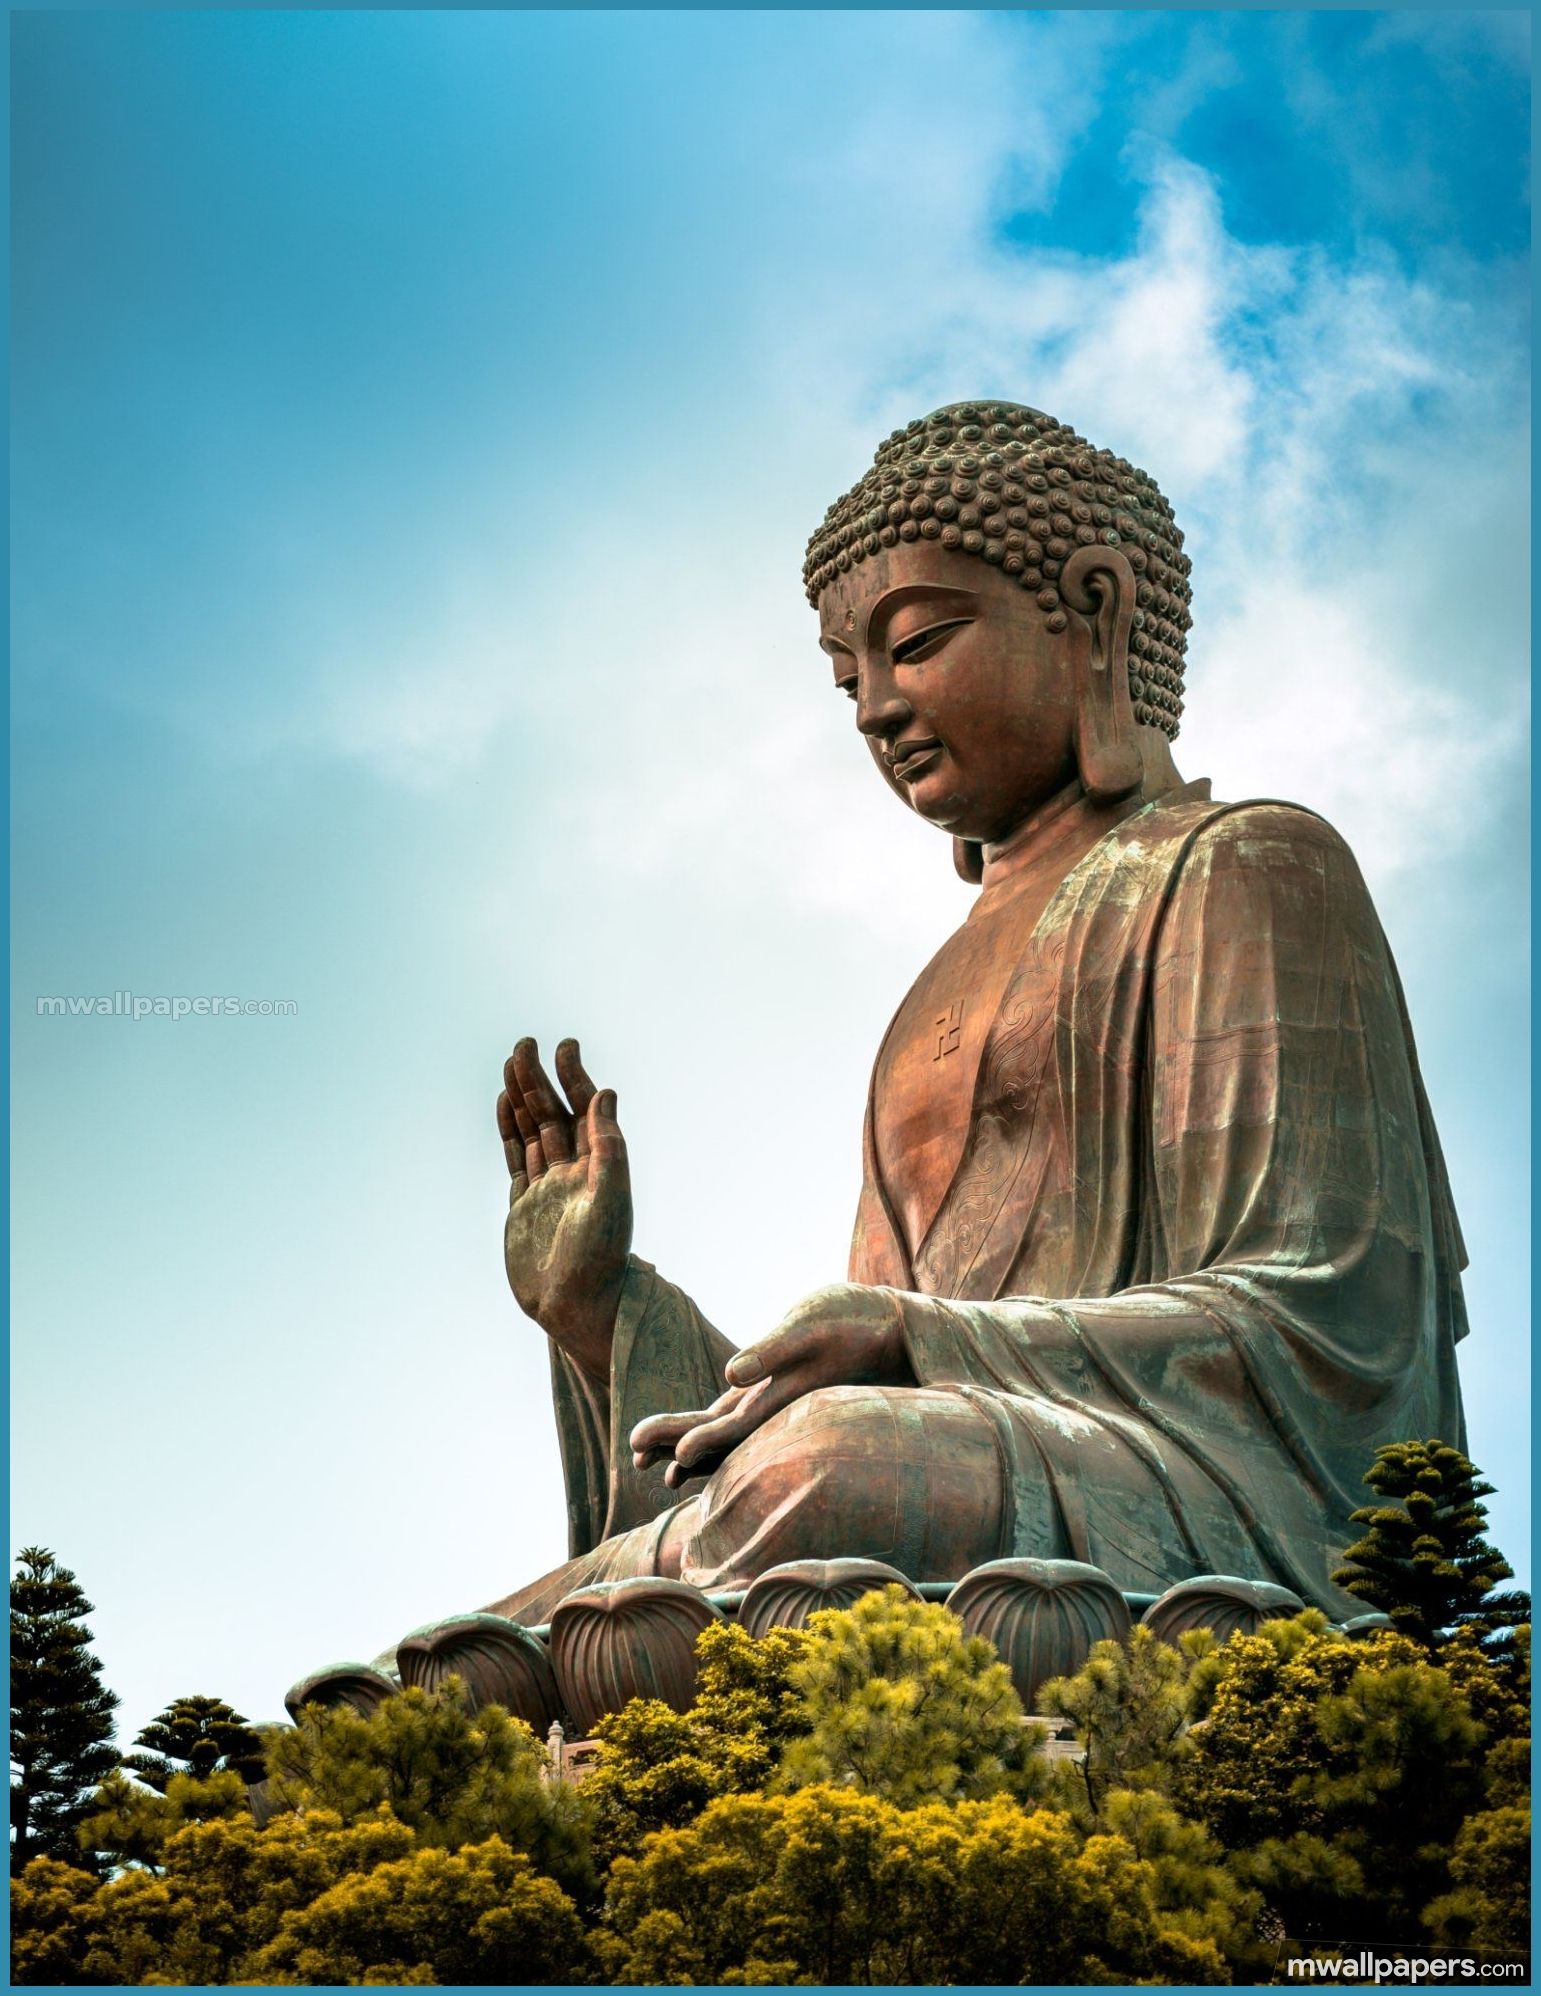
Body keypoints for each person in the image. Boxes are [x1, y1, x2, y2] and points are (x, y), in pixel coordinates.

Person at [488, 401, 1468, 1626]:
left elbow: (1326, 1323)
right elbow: (866, 1375)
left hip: (1210, 1505)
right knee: (491, 1630)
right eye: (848, 679)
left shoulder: (1247, 867)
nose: (873, 710)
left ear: (1096, 612)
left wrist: (915, 1337)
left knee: (832, 1465)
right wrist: (601, 1309)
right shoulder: (923, 1004)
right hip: (957, 1469)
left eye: (918, 642)